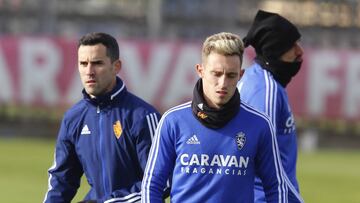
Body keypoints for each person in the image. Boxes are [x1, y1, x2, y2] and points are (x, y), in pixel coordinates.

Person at [142, 32, 293, 203]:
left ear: (241, 75)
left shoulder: (259, 124)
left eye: (231, 75)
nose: (223, 83)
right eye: (216, 74)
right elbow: (152, 185)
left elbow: (276, 186)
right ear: (201, 71)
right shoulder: (173, 121)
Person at [43, 32, 161, 203]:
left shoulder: (143, 116)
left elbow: (162, 182)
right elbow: (61, 180)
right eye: (83, 64)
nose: (89, 71)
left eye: (97, 63)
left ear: (116, 66)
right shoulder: (73, 118)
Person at [237, 10, 305, 202]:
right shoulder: (265, 91)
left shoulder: (260, 80)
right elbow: (264, 162)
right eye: (292, 45)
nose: (300, 51)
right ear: (276, 49)